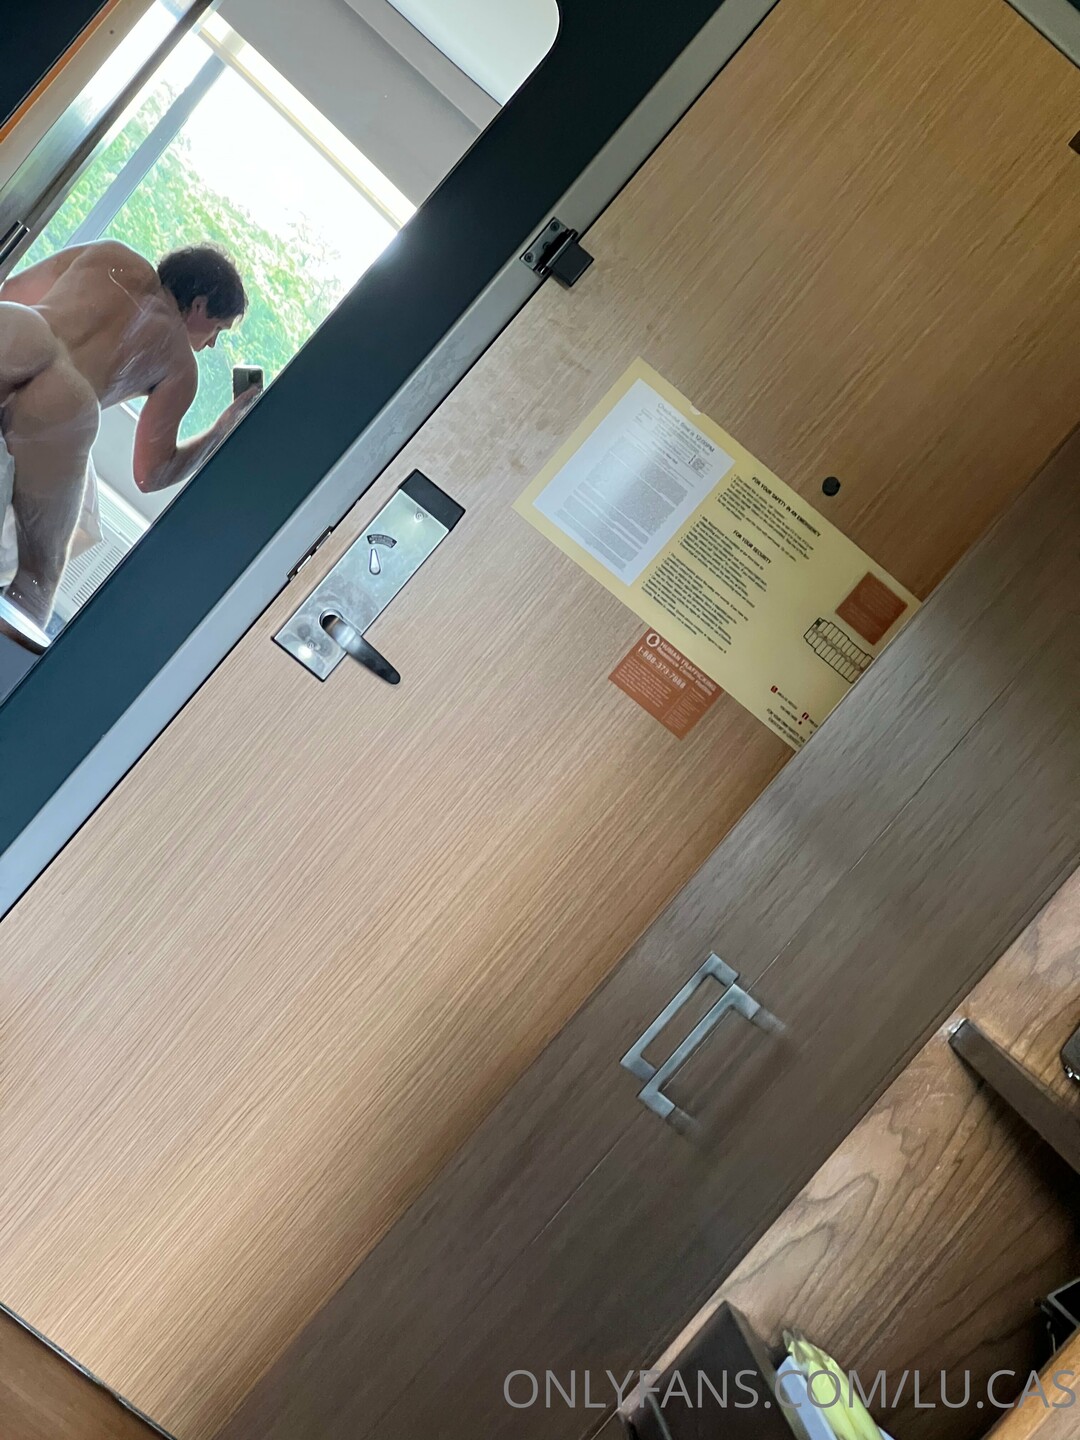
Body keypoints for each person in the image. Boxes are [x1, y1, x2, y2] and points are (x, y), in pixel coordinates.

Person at [0, 240, 258, 631]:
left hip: (17, 327)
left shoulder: (112, 254)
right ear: (200, 304)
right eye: (217, 329)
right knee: (37, 582)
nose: (211, 344)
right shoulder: (179, 363)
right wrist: (221, 429)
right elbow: (151, 474)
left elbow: (12, 290)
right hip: (66, 396)